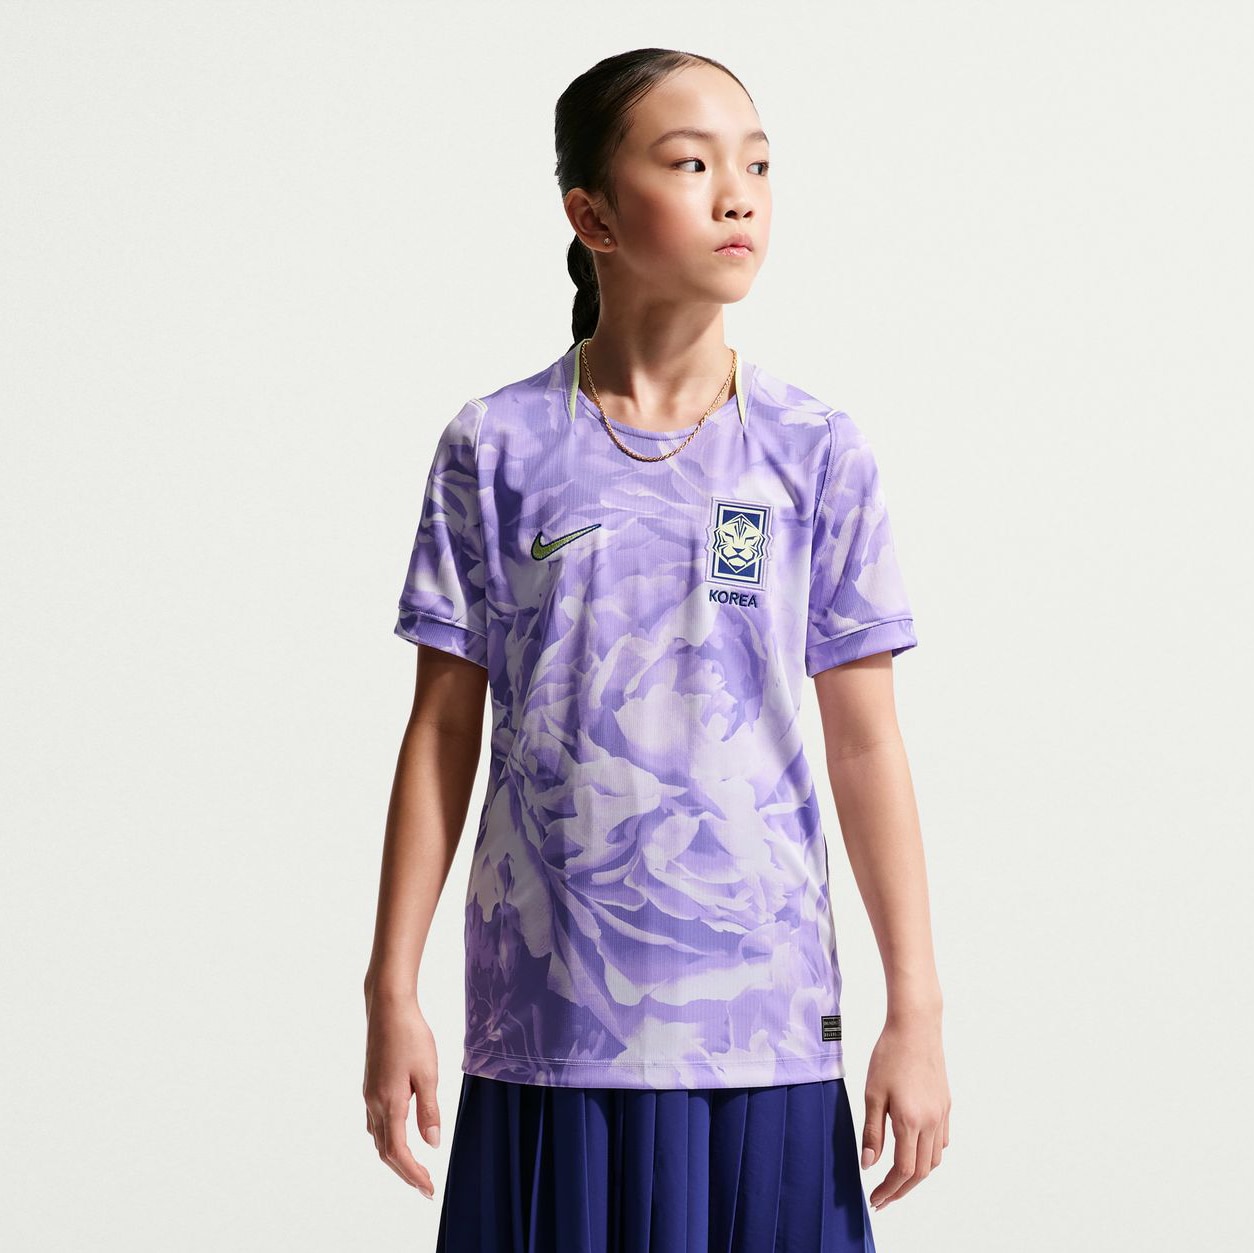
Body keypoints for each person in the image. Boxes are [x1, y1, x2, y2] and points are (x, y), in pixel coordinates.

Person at [363, 47, 950, 1253]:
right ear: (592, 218)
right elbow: (442, 728)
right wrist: (391, 985)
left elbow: (866, 742)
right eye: (691, 164)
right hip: (549, 1024)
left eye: (758, 166)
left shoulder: (814, 450)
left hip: (764, 1027)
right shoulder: (496, 445)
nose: (738, 195)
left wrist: (918, 1007)